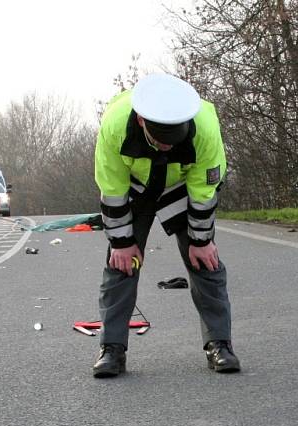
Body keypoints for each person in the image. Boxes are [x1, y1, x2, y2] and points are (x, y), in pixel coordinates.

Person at [92, 73, 240, 378]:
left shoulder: (205, 128)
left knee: (205, 260)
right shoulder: (116, 126)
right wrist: (122, 242)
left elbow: (203, 192)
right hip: (137, 187)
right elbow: (112, 188)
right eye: (159, 141)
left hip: (182, 185)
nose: (165, 148)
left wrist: (202, 240)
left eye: (172, 141)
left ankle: (220, 344)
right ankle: (112, 349)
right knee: (121, 264)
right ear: (143, 121)